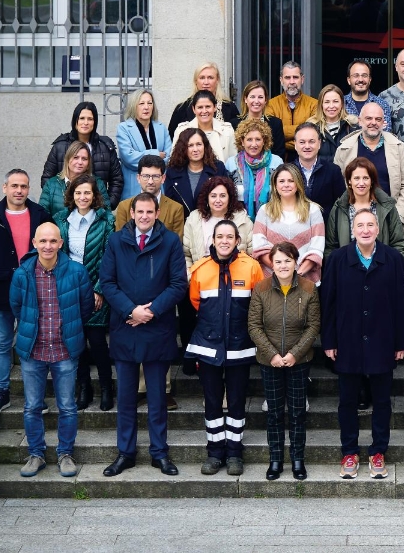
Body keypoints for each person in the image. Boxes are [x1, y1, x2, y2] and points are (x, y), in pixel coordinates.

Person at [98, 193, 188, 477]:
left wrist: (151, 311)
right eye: (140, 212)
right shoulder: (116, 241)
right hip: (126, 328)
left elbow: (177, 284)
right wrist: (130, 311)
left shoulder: (171, 242)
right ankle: (125, 453)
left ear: (157, 213)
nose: (145, 216)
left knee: (158, 399)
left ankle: (159, 453)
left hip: (157, 329)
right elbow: (107, 283)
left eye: (150, 212)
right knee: (125, 398)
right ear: (132, 213)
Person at [321, 209, 404, 479]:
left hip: (382, 339)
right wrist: (329, 340)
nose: (366, 229)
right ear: (353, 229)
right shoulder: (337, 259)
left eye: (371, 224)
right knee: (347, 400)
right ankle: (349, 452)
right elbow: (329, 303)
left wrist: (400, 341)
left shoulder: (393, 259)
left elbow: (400, 304)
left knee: (382, 400)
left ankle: (377, 451)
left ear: (378, 229)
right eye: (360, 225)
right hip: (347, 339)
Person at [9, 223, 94, 478]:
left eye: (53, 241)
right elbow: (16, 306)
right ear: (34, 243)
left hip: (64, 350)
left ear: (60, 243)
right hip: (33, 351)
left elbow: (85, 307)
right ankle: (36, 454)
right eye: (43, 241)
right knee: (32, 406)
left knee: (67, 406)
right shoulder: (22, 274)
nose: (48, 246)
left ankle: (65, 453)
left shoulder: (76, 272)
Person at [187, 220, 264, 476]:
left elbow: (258, 305)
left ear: (237, 241)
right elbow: (196, 303)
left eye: (229, 236)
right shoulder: (200, 269)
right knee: (211, 402)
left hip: (240, 347)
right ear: (213, 239)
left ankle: (234, 453)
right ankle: (214, 452)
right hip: (208, 348)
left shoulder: (252, 267)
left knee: (237, 402)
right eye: (219, 236)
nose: (224, 241)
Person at [0, 169, 52, 417]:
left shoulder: (40, 215)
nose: (19, 190)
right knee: (2, 344)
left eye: (24, 186)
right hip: (1, 289)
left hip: (34, 290)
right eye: (15, 186)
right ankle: (2, 392)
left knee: (33, 343)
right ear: (5, 187)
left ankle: (35, 396)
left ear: (29, 189)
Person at [248, 242, 321, 481]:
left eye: (287, 260)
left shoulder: (309, 288)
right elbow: (254, 326)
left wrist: (293, 354)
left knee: (298, 412)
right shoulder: (261, 288)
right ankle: (276, 459)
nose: (283, 265)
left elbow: (313, 326)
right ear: (272, 263)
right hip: (270, 362)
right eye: (278, 261)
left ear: (296, 262)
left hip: (298, 362)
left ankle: (297, 459)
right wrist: (272, 355)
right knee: (275, 413)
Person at [53, 174, 115, 411]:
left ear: (94, 195)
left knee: (98, 342)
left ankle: (107, 389)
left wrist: (99, 290)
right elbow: (59, 257)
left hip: (97, 288)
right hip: (70, 290)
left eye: (87, 192)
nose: (83, 197)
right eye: (78, 193)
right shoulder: (61, 220)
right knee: (75, 342)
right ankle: (84, 388)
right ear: (72, 195)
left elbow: (108, 258)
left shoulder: (106, 220)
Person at [333, 102, 404, 224]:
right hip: (355, 220)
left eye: (378, 119)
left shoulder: (398, 147)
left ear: (383, 123)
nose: (373, 123)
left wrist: (398, 217)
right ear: (360, 121)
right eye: (368, 118)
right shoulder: (344, 149)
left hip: (391, 219)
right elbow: (337, 188)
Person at [249, 163, 326, 282]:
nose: (286, 185)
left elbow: (316, 249)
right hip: (271, 280)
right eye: (281, 181)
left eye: (291, 181)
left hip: (305, 281)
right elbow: (260, 248)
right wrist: (281, 272)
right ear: (275, 185)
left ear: (298, 183)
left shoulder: (313, 210)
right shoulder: (265, 211)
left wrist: (297, 275)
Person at [324, 158, 404, 261]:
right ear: (349, 181)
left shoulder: (387, 207)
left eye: (366, 178)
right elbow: (330, 247)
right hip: (347, 271)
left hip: (382, 270)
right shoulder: (339, 209)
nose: (361, 183)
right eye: (357, 178)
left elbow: (398, 243)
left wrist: (390, 268)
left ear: (372, 181)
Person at [42, 102, 123, 206]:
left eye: (90, 119)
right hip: (64, 208)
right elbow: (47, 178)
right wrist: (59, 205)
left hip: (97, 209)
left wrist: (107, 204)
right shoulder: (60, 146)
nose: (86, 122)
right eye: (82, 118)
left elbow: (117, 179)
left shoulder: (105, 147)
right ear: (75, 121)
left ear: (95, 122)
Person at [183, 176, 253, 270]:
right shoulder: (194, 219)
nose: (218, 200)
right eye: (213, 196)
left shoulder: (242, 219)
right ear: (207, 198)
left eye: (223, 196)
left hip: (237, 278)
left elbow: (252, 253)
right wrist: (191, 277)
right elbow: (185, 255)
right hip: (201, 278)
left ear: (230, 197)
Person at [116, 88, 172, 200]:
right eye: (141, 103)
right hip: (134, 189)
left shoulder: (161, 128)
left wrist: (142, 155)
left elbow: (169, 156)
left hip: (159, 189)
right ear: (134, 106)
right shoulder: (124, 128)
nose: (146, 107)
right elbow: (129, 157)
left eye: (149, 103)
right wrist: (156, 154)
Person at [163, 128, 232, 218]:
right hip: (182, 225)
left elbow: (228, 198)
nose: (195, 149)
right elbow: (170, 204)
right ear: (183, 148)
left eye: (199, 144)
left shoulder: (218, 168)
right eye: (190, 145)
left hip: (211, 223)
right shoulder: (173, 171)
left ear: (205, 146)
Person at [226, 117, 284, 220]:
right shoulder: (231, 164)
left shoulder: (277, 162)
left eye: (258, 139)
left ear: (264, 141)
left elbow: (282, 194)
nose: (254, 144)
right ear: (242, 142)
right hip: (239, 220)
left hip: (271, 218)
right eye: (249, 139)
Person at [115, 155, 185, 238]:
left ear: (163, 178)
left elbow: (176, 244)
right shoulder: (124, 207)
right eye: (146, 176)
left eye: (155, 176)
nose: (150, 181)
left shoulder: (176, 209)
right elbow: (120, 242)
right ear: (138, 178)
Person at [166, 62, 240, 137]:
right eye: (202, 78)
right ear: (196, 81)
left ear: (217, 80)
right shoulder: (182, 109)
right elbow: (172, 139)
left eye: (210, 78)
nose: (206, 82)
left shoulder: (230, 108)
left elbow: (237, 139)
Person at [40, 141, 109, 219]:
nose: (80, 162)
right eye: (75, 157)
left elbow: (107, 213)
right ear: (67, 159)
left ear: (88, 163)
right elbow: (42, 215)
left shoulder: (98, 184)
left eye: (84, 159)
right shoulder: (51, 184)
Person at [265, 61, 319, 161]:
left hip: (307, 160)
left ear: (302, 79)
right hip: (279, 160)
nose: (292, 82)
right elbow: (271, 135)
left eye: (295, 77)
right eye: (287, 77)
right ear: (281, 80)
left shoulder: (314, 105)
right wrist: (302, 131)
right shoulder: (271, 105)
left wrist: (283, 138)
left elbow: (312, 134)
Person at [293, 122, 346, 219]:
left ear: (319, 143)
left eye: (312, 141)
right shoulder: (287, 171)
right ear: (295, 145)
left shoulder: (333, 171)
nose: (307, 146)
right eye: (302, 142)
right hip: (294, 229)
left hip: (326, 229)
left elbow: (341, 205)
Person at [173, 90, 238, 162]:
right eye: (200, 107)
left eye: (208, 106)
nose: (204, 111)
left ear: (215, 107)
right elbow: (175, 160)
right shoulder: (182, 130)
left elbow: (234, 161)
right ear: (194, 109)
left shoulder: (227, 131)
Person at [234, 80, 287, 161]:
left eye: (260, 97)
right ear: (245, 99)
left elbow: (280, 153)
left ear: (265, 100)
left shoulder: (276, 124)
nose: (256, 101)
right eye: (252, 97)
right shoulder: (234, 123)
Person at [309, 84, 360, 165]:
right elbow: (309, 157)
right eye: (327, 102)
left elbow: (357, 157)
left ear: (342, 104)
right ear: (321, 105)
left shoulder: (352, 126)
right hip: (321, 175)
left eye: (335, 101)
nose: (331, 106)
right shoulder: (311, 128)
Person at [342, 59, 394, 130]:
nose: (360, 79)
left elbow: (386, 134)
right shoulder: (341, 104)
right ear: (349, 80)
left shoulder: (382, 105)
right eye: (356, 75)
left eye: (364, 75)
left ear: (370, 80)